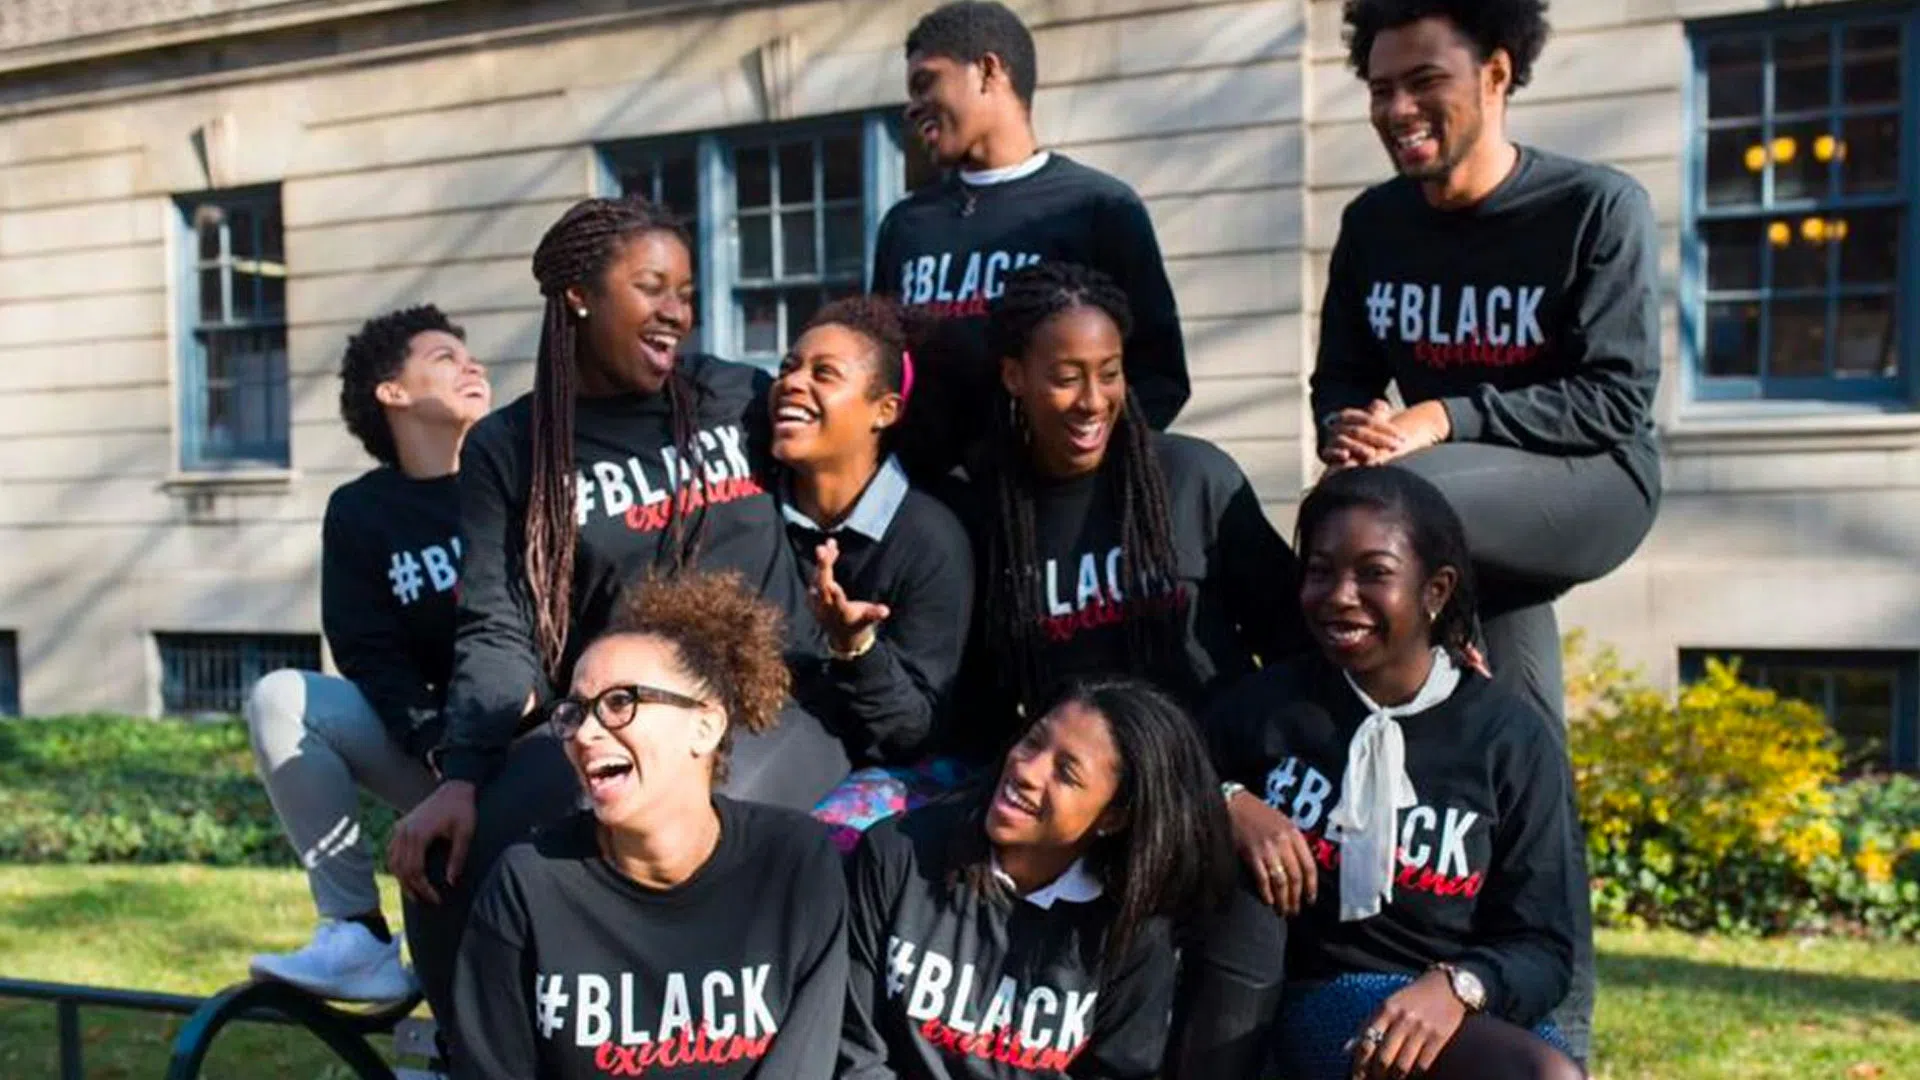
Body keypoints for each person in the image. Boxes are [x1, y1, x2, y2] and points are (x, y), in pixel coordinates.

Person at [390, 195, 852, 1043]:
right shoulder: (513, 446)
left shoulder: (737, 399)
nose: (678, 308)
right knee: (461, 854)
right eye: (652, 286)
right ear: (578, 295)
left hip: (770, 703)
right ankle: (493, 1055)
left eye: (685, 290)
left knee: (672, 818)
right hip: (616, 709)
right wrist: (460, 774)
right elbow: (498, 624)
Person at [1310, 2, 1654, 1058]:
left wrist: (1442, 417)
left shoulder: (1594, 206)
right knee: (1526, 751)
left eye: (1423, 81)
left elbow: (1615, 399)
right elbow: (1340, 380)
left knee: (1383, 528)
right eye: (1377, 86)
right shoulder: (1375, 224)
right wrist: (1353, 426)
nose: (1396, 107)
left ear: (1497, 73)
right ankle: (1557, 1037)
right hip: (1445, 517)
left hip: (1588, 485)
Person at [1207, 465, 1586, 1080]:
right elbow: (1161, 772)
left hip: (1465, 999)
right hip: (1321, 996)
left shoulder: (1509, 739)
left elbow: (1542, 947)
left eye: (1374, 574)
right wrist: (1227, 800)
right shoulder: (1269, 707)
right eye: (1321, 571)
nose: (1340, 595)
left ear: (1435, 591)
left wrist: (1456, 987)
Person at [452, 570, 846, 1080]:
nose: (586, 733)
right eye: (575, 711)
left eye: (621, 702)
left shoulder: (796, 862)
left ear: (705, 725)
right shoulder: (528, 885)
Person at [952, 262, 1305, 763]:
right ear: (1014, 376)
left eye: (1110, 374)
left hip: (1217, 773)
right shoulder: (986, 511)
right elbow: (982, 701)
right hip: (1074, 790)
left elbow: (1292, 645)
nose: (1093, 402)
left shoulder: (1196, 478)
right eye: (1066, 378)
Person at [243, 304, 490, 1001]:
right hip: (435, 753)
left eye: (467, 354)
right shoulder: (361, 513)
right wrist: (442, 754)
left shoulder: (517, 475)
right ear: (393, 392)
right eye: (443, 357)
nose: (469, 365)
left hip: (542, 749)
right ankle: (357, 936)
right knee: (283, 699)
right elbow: (368, 653)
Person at [838, 676, 1234, 1080]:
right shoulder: (897, 854)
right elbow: (851, 1049)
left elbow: (1118, 1071)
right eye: (1032, 741)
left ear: (1113, 816)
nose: (1026, 770)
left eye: (1066, 773)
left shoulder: (1134, 929)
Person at [872, 0, 1189, 485]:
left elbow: (1159, 373)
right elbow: (882, 365)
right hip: (934, 511)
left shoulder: (1098, 207)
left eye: (925, 82)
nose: (912, 106)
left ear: (988, 71)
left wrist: (1079, 476)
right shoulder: (906, 224)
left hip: (1049, 509)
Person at [770, 295, 974, 767]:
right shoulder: (753, 511)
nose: (792, 383)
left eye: (824, 374)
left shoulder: (930, 539)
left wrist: (855, 647)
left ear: (884, 411)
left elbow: (915, 731)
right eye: (788, 367)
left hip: (884, 776)